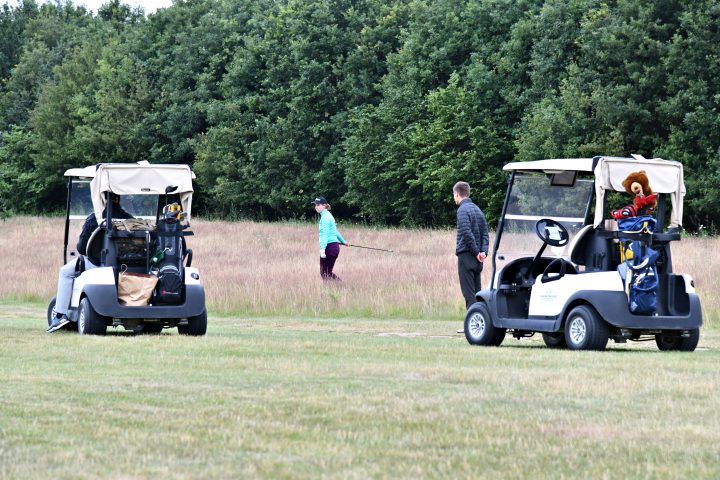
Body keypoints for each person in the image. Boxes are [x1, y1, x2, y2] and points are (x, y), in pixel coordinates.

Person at [48, 193, 132, 332]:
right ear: (118, 200)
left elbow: (81, 248)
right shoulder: (129, 220)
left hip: (97, 264)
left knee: (65, 272)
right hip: (123, 266)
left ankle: (61, 314)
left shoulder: (94, 219)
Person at [453, 181, 489, 330]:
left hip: (467, 256)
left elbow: (467, 233)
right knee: (477, 292)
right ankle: (479, 324)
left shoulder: (462, 210)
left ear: (457, 194)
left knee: (468, 293)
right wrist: (483, 252)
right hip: (478, 259)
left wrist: (475, 252)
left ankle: (472, 324)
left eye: (453, 195)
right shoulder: (478, 210)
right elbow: (485, 234)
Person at [312, 196, 348, 280]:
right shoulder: (328, 215)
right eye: (315, 205)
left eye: (318, 205)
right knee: (327, 273)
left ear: (324, 205)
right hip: (333, 247)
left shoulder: (325, 217)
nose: (316, 207)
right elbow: (335, 231)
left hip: (329, 248)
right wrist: (344, 241)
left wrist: (323, 249)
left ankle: (340, 285)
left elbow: (325, 234)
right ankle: (337, 287)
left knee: (325, 273)